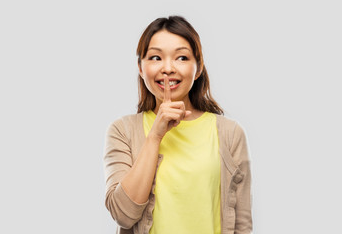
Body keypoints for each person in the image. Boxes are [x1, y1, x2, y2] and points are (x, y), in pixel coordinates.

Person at [103, 16, 252, 234]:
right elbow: (123, 215)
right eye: (155, 57)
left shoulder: (230, 133)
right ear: (141, 68)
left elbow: (243, 224)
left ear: (198, 68)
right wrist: (154, 136)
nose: (168, 68)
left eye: (181, 57)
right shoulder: (122, 131)